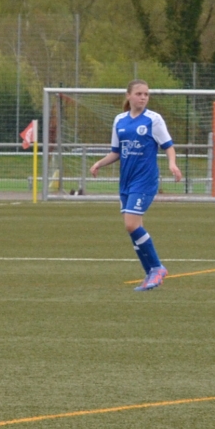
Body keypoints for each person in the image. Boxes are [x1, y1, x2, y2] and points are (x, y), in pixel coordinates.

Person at [86, 80, 183, 291]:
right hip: (127, 181)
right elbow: (116, 152)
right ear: (128, 95)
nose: (143, 97)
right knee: (132, 227)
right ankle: (150, 273)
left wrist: (172, 163)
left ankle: (157, 267)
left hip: (145, 180)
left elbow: (168, 146)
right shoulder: (119, 120)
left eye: (146, 94)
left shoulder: (153, 120)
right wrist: (99, 163)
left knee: (131, 224)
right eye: (139, 94)